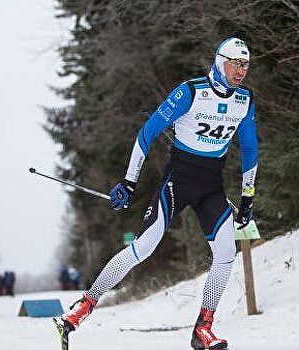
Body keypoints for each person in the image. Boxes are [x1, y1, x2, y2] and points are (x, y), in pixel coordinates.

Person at [56, 37, 258, 350]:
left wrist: (247, 198)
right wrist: (128, 182)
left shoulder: (244, 100)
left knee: (225, 254)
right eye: (236, 62)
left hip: (211, 187)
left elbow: (249, 148)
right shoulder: (190, 92)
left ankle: (202, 329)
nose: (241, 70)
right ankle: (85, 305)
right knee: (144, 247)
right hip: (179, 180)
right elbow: (147, 133)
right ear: (220, 62)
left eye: (246, 64)